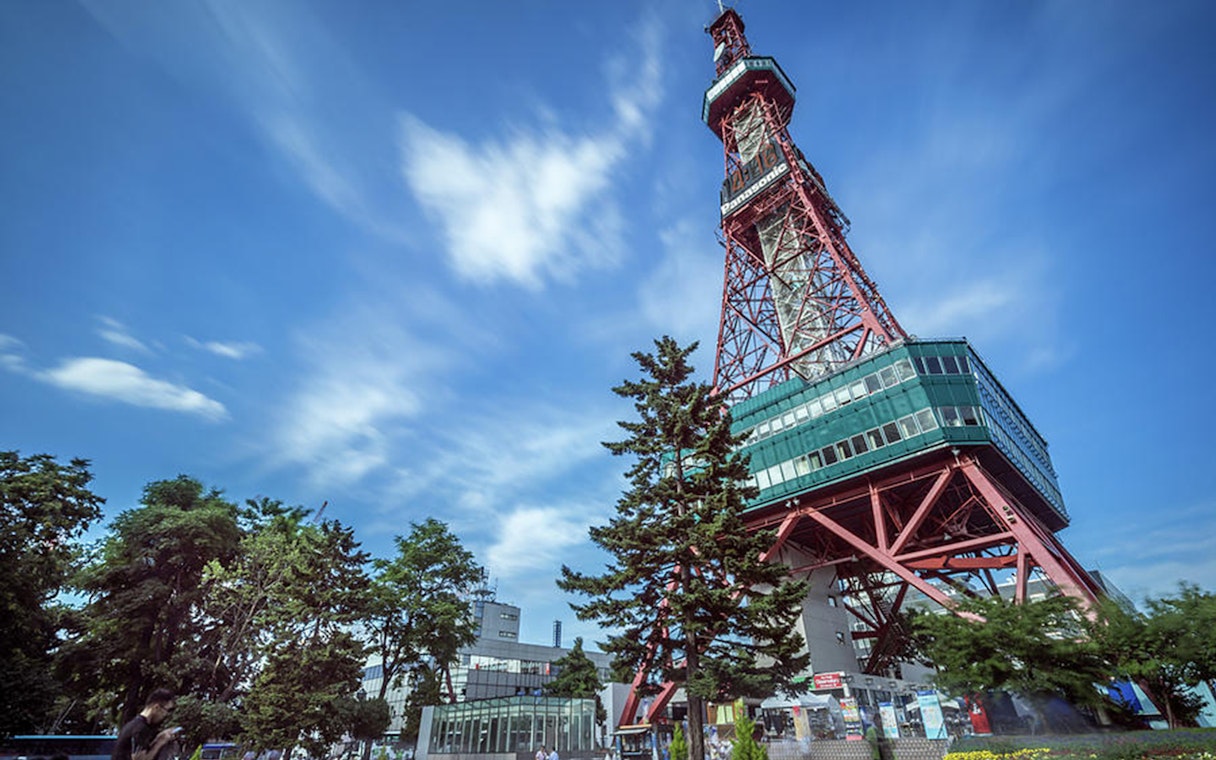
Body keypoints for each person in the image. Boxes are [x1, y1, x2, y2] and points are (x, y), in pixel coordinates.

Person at [111, 688, 180, 760]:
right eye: (167, 710)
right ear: (157, 707)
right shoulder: (141, 728)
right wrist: (160, 742)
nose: (166, 714)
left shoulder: (137, 724)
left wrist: (158, 738)